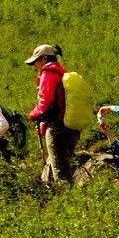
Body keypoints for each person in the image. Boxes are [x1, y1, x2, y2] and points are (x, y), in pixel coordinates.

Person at [25, 43, 79, 184]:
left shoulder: (48, 73)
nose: (35, 66)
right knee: (56, 165)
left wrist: (33, 114)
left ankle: (69, 199)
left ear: (43, 59)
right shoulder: (62, 73)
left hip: (57, 126)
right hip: (71, 125)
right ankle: (53, 197)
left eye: (36, 61)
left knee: (61, 173)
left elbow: (45, 101)